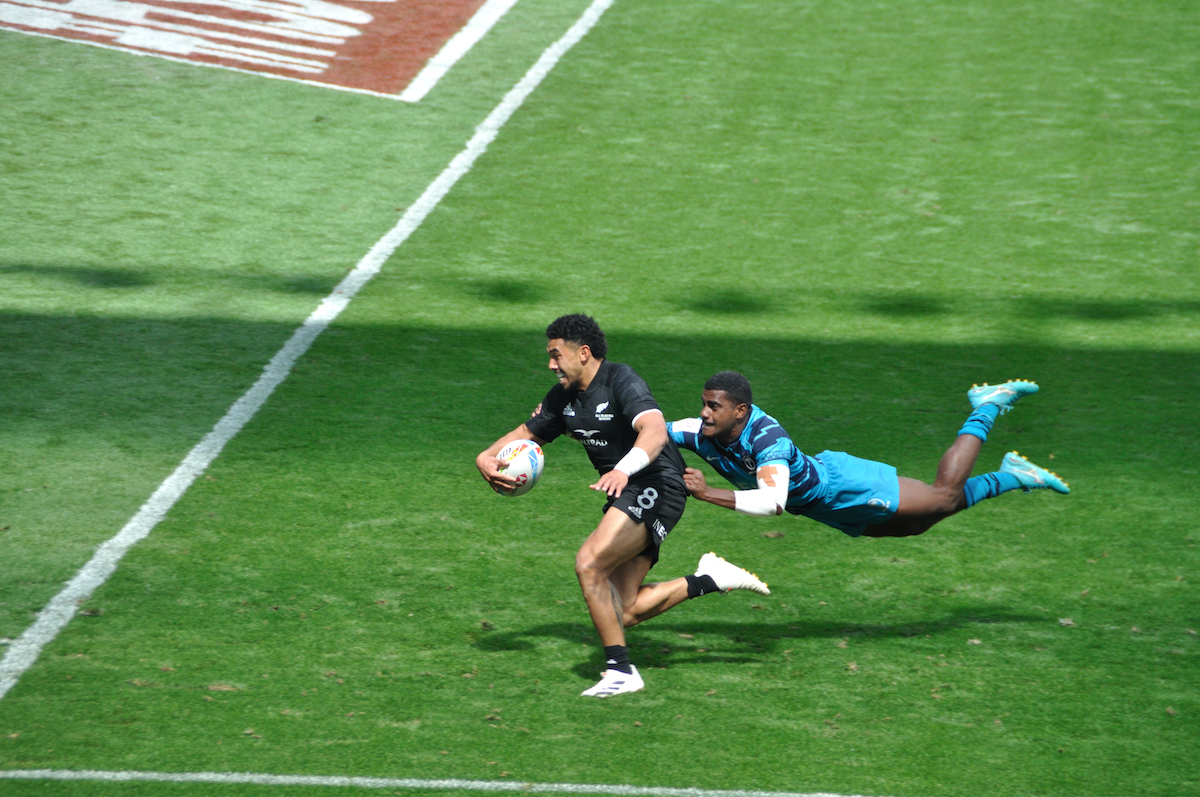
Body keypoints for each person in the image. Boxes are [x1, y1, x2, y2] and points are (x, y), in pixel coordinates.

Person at [475, 316, 768, 698]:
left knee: (589, 563)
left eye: (556, 355)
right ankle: (710, 578)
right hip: (627, 490)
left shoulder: (620, 380)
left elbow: (655, 431)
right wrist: (485, 457)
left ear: (583, 353)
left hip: (657, 483)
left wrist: (622, 469)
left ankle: (621, 671)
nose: (550, 364)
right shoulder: (562, 398)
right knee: (622, 610)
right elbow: (525, 434)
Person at [670, 371, 1068, 538]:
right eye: (703, 403)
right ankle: (1014, 474)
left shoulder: (767, 440)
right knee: (917, 525)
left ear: (740, 411)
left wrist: (707, 493)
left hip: (841, 485)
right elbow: (653, 431)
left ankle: (988, 404)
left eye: (713, 406)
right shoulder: (699, 432)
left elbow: (773, 502)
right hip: (818, 507)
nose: (704, 413)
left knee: (943, 495)